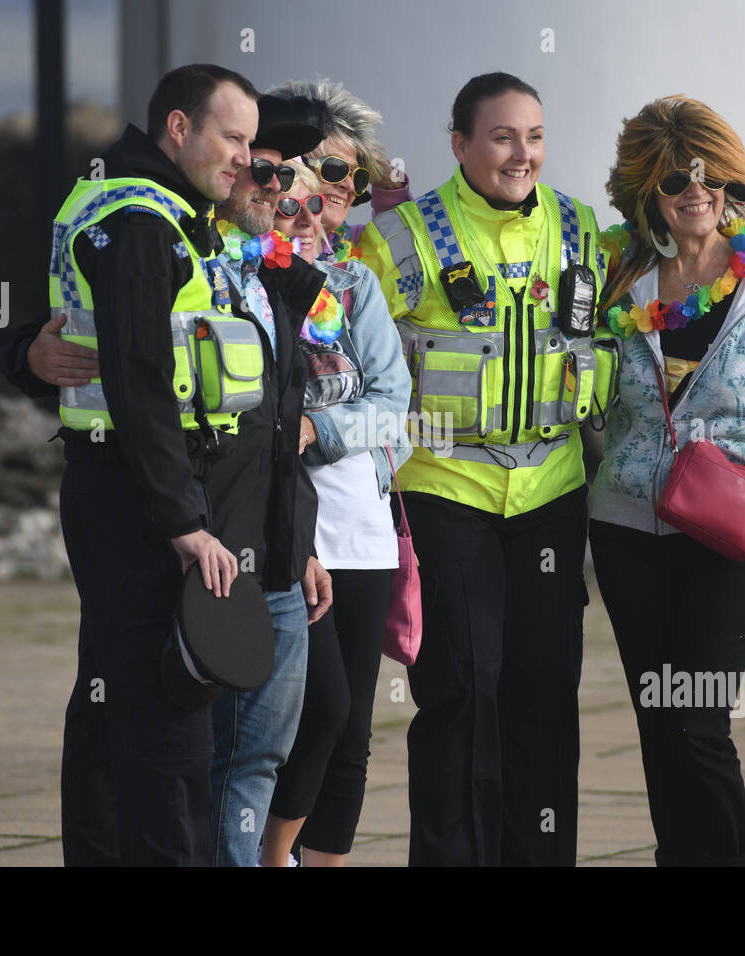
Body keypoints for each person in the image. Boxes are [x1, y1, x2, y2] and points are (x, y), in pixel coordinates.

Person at [0, 63, 257, 865]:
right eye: (232, 138)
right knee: (169, 725)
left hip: (121, 484)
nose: (246, 158)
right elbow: (144, 384)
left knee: (110, 709)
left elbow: (50, 324)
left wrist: (22, 357)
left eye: (253, 141)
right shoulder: (143, 220)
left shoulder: (128, 202)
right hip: (142, 495)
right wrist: (182, 521)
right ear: (178, 129)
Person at [357, 72, 615, 866]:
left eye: (533, 136)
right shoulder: (401, 240)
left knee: (544, 696)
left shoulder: (582, 231)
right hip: (446, 492)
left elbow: (643, 314)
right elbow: (341, 339)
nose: (521, 153)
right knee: (462, 692)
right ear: (460, 144)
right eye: (502, 136)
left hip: (551, 493)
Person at [589, 95, 745, 866]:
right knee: (658, 722)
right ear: (646, 193)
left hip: (733, 532)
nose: (697, 195)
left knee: (697, 721)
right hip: (629, 528)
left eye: (711, 179)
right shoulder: (617, 274)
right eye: (674, 183)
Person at [256, 162, 411, 866]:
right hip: (291, 532)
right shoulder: (252, 290)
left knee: (352, 735)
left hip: (363, 532)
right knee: (320, 712)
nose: (310, 221)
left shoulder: (356, 286)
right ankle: (268, 856)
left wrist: (320, 431)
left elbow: (391, 405)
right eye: (291, 208)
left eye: (320, 206)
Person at [203, 94, 338, 868]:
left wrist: (304, 543)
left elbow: (281, 433)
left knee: (259, 761)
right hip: (215, 555)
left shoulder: (278, 277)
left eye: (285, 176)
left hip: (282, 557)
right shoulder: (185, 258)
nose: (276, 190)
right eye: (259, 169)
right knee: (210, 759)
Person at [267, 78, 411, 261]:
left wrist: (388, 182)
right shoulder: (244, 249)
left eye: (358, 177)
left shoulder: (355, 249)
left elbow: (401, 234)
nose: (350, 186)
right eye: (334, 169)